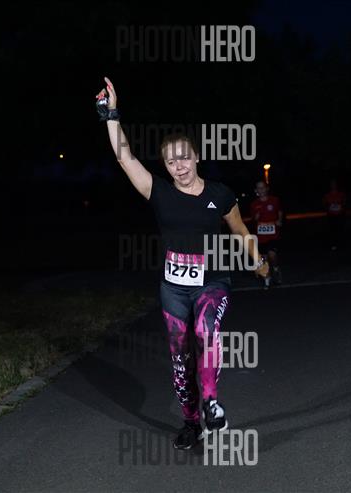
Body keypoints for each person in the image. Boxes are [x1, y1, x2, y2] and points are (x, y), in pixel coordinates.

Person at [96, 77, 270, 450]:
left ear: (196, 157)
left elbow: (240, 229)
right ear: (166, 165)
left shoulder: (220, 193)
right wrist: (112, 115)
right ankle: (191, 422)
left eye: (184, 157)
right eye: (171, 161)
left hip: (212, 281)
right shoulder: (158, 192)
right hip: (173, 289)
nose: (179, 166)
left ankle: (211, 403)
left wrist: (259, 261)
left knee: (206, 331)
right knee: (180, 359)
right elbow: (125, 158)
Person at [250, 181, 283, 288]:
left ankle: (276, 269)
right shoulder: (254, 204)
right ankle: (267, 279)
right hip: (261, 236)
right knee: (264, 258)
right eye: (259, 188)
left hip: (273, 234)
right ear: (256, 191)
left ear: (267, 188)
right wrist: (256, 217)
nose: (261, 190)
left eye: (263, 187)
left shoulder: (274, 200)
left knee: (272, 255)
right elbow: (253, 219)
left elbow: (280, 211)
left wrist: (279, 220)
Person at [322, 179, 346, 251]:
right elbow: (324, 204)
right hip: (331, 215)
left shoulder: (341, 194)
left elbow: (344, 203)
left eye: (334, 184)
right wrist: (328, 207)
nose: (333, 185)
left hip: (339, 215)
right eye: (332, 184)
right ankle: (333, 244)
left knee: (340, 230)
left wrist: (341, 206)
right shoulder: (327, 195)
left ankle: (340, 244)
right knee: (332, 230)